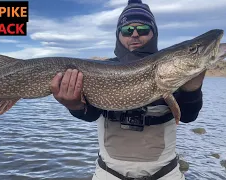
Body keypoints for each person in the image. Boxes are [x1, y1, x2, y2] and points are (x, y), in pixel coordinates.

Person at [50, 0, 205, 179]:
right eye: (127, 30)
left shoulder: (169, 68)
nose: (135, 35)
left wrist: (192, 90)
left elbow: (188, 116)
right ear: (119, 35)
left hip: (165, 173)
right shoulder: (103, 69)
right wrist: (74, 106)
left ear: (154, 33)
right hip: (109, 173)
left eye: (143, 29)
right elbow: (91, 114)